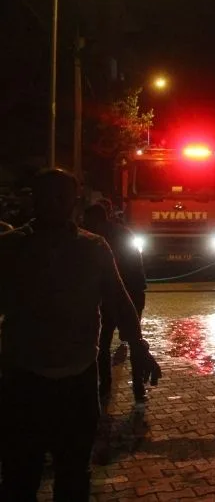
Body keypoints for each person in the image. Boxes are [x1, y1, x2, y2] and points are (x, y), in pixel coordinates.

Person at [0, 169, 161, 500]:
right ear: (36, 199)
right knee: (20, 475)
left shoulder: (94, 248)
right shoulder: (11, 248)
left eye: (64, 197)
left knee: (73, 475)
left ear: (73, 203)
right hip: (24, 381)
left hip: (77, 382)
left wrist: (140, 346)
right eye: (50, 196)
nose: (57, 204)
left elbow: (119, 300)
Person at [82, 202, 148, 407]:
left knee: (103, 343)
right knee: (133, 340)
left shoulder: (94, 241)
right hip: (133, 293)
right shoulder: (123, 233)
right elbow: (136, 265)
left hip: (115, 295)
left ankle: (105, 388)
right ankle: (138, 389)